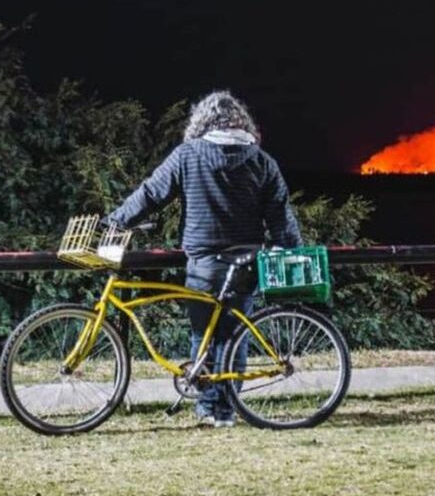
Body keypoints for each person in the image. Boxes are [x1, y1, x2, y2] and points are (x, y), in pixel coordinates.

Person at [106, 90, 302, 427]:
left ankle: (209, 409)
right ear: (243, 122)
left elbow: (152, 193)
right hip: (247, 262)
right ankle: (225, 410)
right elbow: (280, 216)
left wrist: (117, 220)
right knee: (235, 333)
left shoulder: (188, 155)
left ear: (202, 122)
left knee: (204, 334)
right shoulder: (262, 161)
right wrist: (292, 250)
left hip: (204, 261)